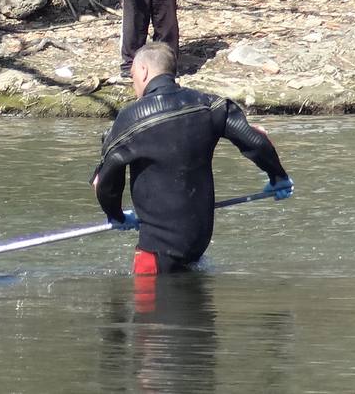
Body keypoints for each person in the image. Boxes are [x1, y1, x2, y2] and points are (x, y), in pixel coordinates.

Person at [92, 42, 291, 274]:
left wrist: (115, 215)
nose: (133, 82)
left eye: (133, 75)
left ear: (144, 71)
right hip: (198, 241)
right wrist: (278, 177)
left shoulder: (131, 119)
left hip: (155, 252)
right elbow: (256, 141)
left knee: (147, 307)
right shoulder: (209, 104)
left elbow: (105, 182)